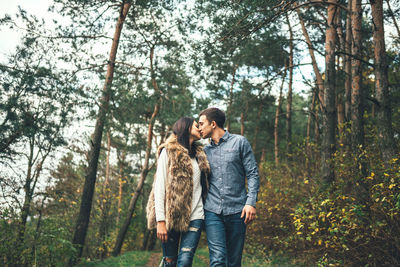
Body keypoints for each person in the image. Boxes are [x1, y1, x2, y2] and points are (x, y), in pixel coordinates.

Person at [198, 107, 260, 267]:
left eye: (201, 124)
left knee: (233, 261)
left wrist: (250, 202)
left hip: (238, 211)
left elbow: (253, 173)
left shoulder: (240, 142)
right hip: (213, 212)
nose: (199, 128)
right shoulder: (204, 151)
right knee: (217, 260)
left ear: (213, 124)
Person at [146, 117, 210, 267]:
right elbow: (159, 187)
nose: (200, 129)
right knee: (170, 261)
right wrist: (160, 221)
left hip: (196, 215)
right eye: (196, 126)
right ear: (187, 128)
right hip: (171, 217)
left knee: (186, 260)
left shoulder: (200, 155)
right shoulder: (168, 152)